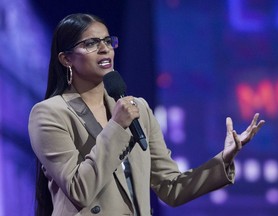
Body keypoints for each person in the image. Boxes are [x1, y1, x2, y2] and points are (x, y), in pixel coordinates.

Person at [28, 13, 265, 216]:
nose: (104, 49)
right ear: (66, 58)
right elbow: (79, 190)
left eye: (107, 41)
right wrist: (117, 127)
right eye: (91, 43)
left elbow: (171, 188)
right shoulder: (49, 114)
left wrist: (224, 158)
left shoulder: (137, 108)